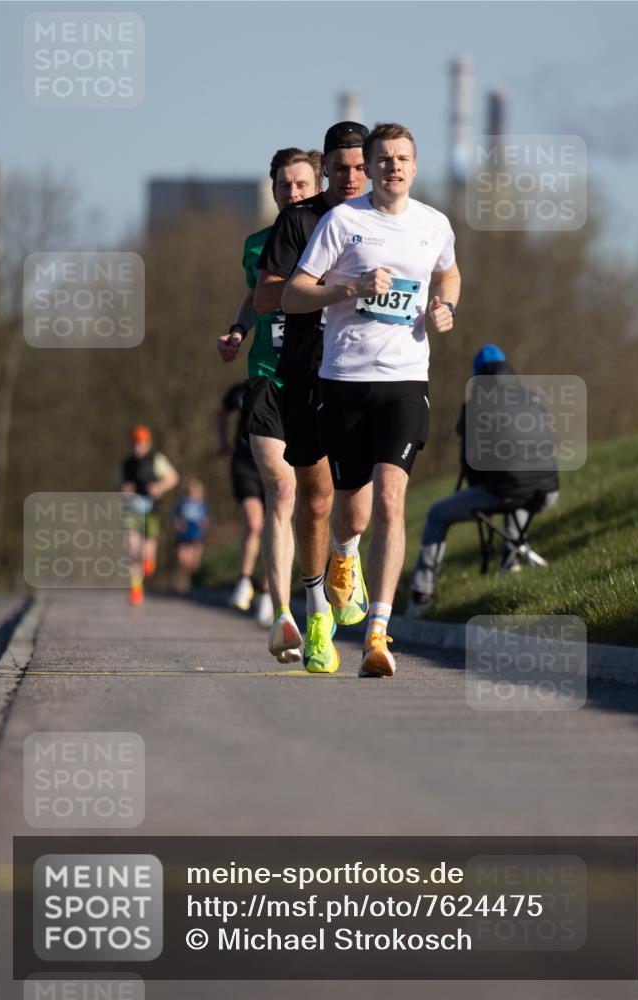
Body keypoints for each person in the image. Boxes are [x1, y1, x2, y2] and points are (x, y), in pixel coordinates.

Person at [282, 123, 461, 677]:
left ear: (415, 165)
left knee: (390, 500)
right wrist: (350, 289)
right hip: (344, 381)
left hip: (406, 381)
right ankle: (343, 554)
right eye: (384, 159)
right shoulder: (343, 222)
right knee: (353, 513)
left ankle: (378, 635)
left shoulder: (434, 224)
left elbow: (449, 273)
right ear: (372, 167)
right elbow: (293, 294)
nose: (393, 167)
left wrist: (446, 307)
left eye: (403, 158)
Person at [255, 122, 371, 674]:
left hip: (369, 370)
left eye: (361, 167)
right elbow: (264, 297)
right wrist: (326, 288)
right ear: (324, 168)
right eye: (341, 167)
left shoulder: (389, 221)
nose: (352, 177)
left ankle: (347, 555)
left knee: (365, 499)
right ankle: (317, 609)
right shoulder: (298, 220)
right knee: (317, 497)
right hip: (306, 370)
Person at [218, 148, 322, 655]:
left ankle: (324, 595)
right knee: (281, 490)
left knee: (323, 499)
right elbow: (253, 295)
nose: (292, 192)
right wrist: (239, 330)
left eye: (301, 184)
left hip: (320, 378)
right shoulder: (256, 244)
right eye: (284, 185)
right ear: (273, 189)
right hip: (267, 377)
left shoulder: (333, 233)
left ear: (317, 185)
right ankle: (282, 614)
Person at [406, 344, 560, 616]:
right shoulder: (533, 398)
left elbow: (470, 466)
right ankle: (512, 557)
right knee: (519, 487)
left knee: (437, 514)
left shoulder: (475, 407)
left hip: (507, 492)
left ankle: (421, 595)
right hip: (548, 491)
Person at [217, 383, 273, 628]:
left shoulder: (281, 382)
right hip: (245, 464)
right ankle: (244, 580)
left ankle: (267, 593)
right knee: (253, 521)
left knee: (272, 526)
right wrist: (222, 440)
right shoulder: (239, 391)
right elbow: (221, 413)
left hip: (274, 462)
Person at [120, 425, 179, 606]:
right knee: (132, 547)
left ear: (148, 443)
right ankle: (136, 589)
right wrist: (123, 490)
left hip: (151, 509)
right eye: (136, 443)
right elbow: (117, 485)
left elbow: (173, 477)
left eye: (142, 443)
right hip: (131, 509)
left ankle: (148, 563)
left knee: (147, 548)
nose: (138, 447)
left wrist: (159, 487)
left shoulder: (156, 459)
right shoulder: (126, 464)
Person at [172, 477, 211, 593]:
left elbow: (208, 519)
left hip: (197, 536)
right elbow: (174, 516)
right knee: (182, 559)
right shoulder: (182, 503)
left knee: (194, 563)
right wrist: (178, 524)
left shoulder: (203, 505)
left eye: (197, 491)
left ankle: (191, 581)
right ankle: (183, 580)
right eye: (192, 491)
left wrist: (204, 522)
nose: (194, 494)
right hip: (184, 536)